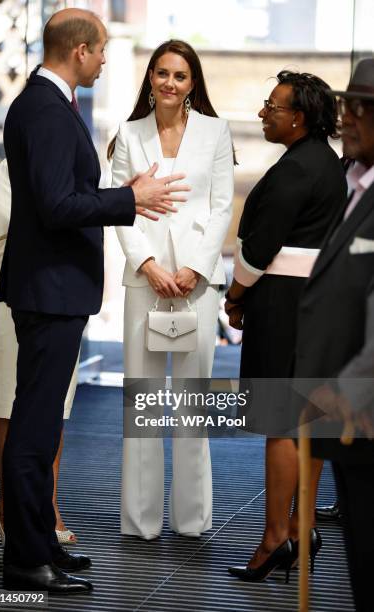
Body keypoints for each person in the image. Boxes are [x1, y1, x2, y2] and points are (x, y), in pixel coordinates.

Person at [0, 9, 190, 594]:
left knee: (42, 428)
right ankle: (27, 559)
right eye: (101, 49)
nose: (107, 59)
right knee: (34, 431)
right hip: (50, 291)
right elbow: (59, 205)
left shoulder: (46, 105)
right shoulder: (48, 111)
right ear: (78, 51)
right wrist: (128, 198)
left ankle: (40, 542)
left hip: (52, 289)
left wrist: (122, 198)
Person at [108, 39, 234, 540]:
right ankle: (140, 523)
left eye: (179, 76)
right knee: (141, 403)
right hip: (145, 281)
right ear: (151, 78)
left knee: (191, 403)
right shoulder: (128, 132)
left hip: (196, 286)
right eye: (161, 73)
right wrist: (149, 264)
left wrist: (196, 269)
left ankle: (192, 520)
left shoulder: (217, 132)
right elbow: (120, 207)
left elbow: (222, 206)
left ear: (192, 84)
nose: (169, 83)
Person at [225, 70, 347, 581]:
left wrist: (235, 296)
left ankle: (276, 539)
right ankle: (300, 529)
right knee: (308, 425)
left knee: (279, 426)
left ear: (298, 118)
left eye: (272, 108)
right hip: (314, 306)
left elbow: (259, 246)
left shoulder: (296, 169)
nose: (262, 114)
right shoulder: (328, 163)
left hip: (282, 306)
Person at [293, 58, 374, 611]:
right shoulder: (355, 186)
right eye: (348, 105)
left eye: (363, 109)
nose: (349, 118)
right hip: (348, 426)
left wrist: (350, 389)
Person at [0, 159, 78, 546]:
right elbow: (6, 235)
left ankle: (48, 506)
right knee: (9, 402)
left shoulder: (75, 170)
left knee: (54, 407)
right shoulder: (10, 169)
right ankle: (7, 505)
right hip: (17, 294)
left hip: (64, 293)